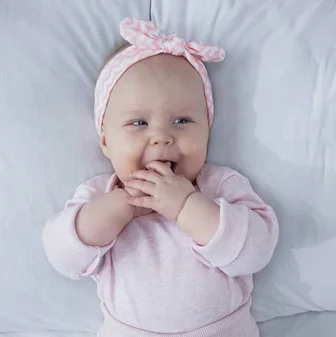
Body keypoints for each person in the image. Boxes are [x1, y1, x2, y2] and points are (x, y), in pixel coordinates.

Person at [43, 17, 279, 337]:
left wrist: (186, 207)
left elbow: (256, 251)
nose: (161, 137)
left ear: (207, 129)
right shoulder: (101, 194)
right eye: (139, 123)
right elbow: (63, 256)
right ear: (105, 141)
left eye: (182, 120)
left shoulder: (219, 186)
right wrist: (118, 206)